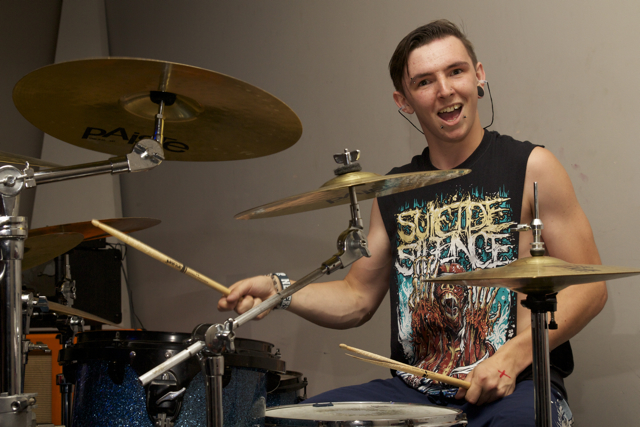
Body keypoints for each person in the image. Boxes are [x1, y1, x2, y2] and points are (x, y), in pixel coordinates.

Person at [218, 20, 607, 426]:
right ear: (403, 101)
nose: (445, 90)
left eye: (456, 71)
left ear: (479, 76)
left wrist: (513, 355)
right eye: (424, 81)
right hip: (414, 391)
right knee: (286, 421)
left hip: (519, 386)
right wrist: (279, 291)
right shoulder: (395, 190)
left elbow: (592, 288)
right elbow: (357, 297)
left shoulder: (531, 166)